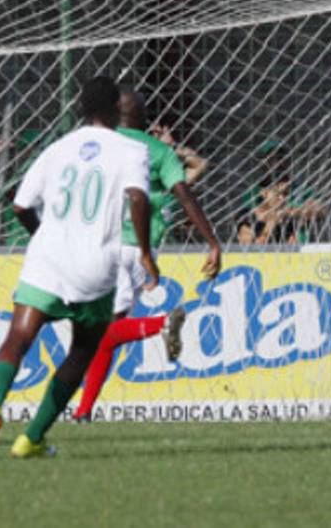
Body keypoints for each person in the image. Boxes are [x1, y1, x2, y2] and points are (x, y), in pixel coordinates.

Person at [0, 76, 156, 460]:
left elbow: (19, 205)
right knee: (83, 349)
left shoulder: (57, 148)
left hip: (47, 257)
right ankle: (30, 438)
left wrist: (43, 236)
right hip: (94, 262)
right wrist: (146, 252)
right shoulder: (131, 149)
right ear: (117, 108)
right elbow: (136, 196)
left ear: (80, 107)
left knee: (17, 338)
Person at [71, 88, 222, 422]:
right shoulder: (158, 152)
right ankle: (83, 410)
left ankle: (83, 410)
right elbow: (185, 196)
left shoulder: (94, 143)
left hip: (96, 245)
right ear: (146, 117)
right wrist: (212, 242)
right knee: (105, 334)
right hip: (139, 250)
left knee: (103, 334)